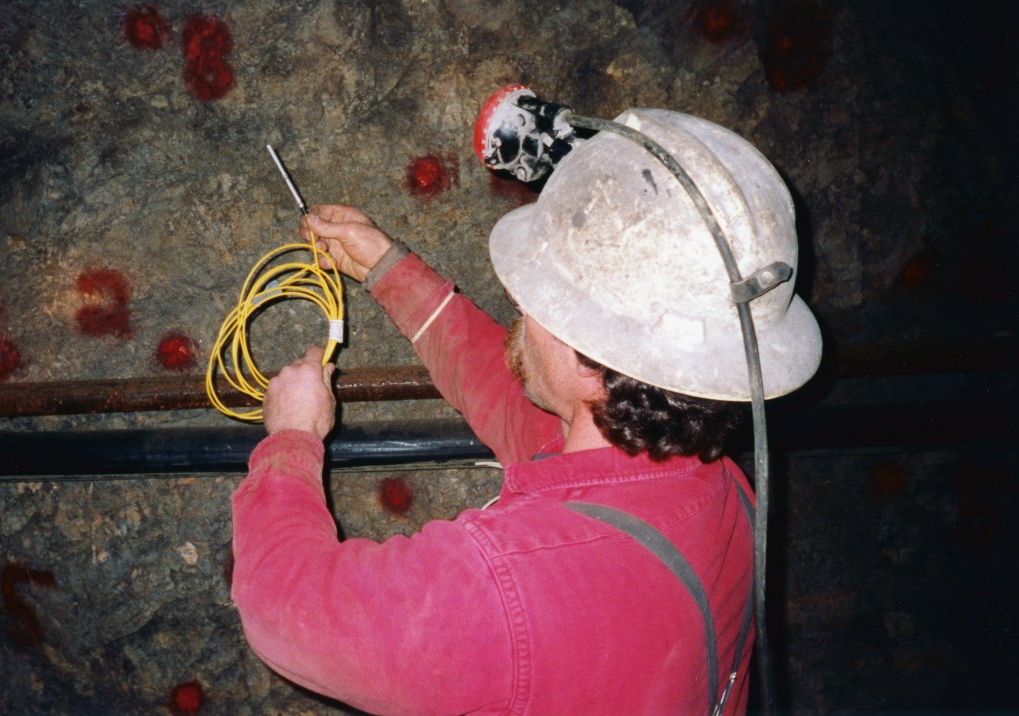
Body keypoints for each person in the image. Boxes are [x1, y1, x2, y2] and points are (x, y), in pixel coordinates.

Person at [230, 108, 822, 714]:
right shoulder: (716, 487)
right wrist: (389, 271)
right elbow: (520, 406)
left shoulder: (508, 590)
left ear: (592, 353)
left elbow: (286, 610)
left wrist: (293, 437)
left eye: (536, 295)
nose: (519, 305)